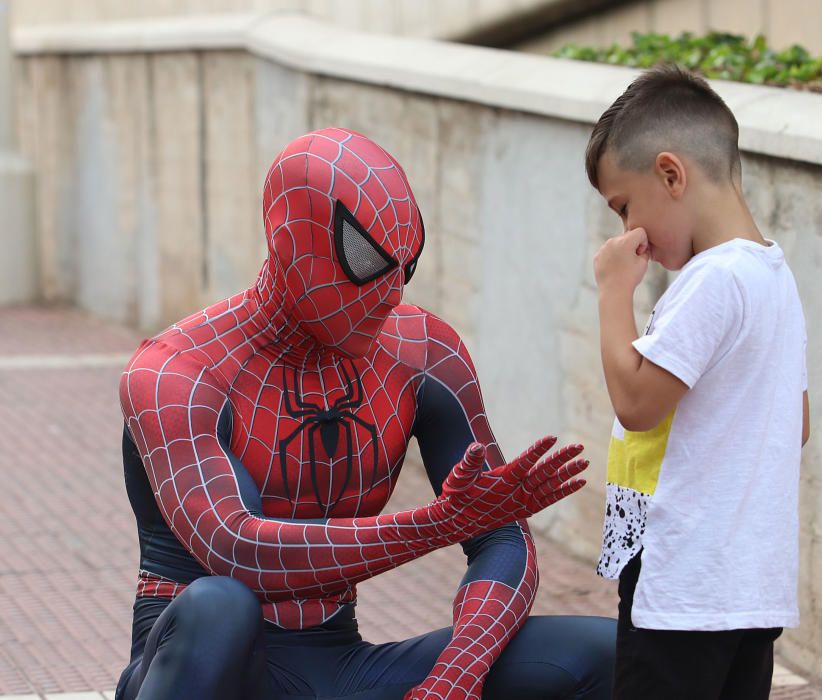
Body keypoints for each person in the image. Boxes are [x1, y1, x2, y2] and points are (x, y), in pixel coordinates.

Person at [115, 127, 616, 700]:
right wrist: (436, 525)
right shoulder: (178, 371)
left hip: (337, 663)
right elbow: (239, 551)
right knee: (219, 606)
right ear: (288, 243)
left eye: (406, 265)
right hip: (202, 669)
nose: (392, 292)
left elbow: (504, 539)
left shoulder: (423, 352)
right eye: (364, 260)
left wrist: (456, 675)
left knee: (603, 654)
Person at [587, 65, 809, 699]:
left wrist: (612, 292)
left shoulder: (711, 281)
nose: (631, 234)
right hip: (751, 589)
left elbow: (636, 403)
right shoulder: (774, 276)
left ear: (670, 173)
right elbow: (797, 424)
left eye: (624, 207)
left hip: (684, 587)